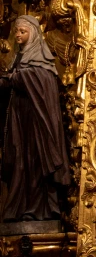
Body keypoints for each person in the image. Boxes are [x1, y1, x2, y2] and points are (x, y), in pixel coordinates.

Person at [0, 16, 70, 221]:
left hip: (38, 123)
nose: (18, 35)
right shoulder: (17, 58)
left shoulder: (41, 59)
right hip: (18, 120)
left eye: (22, 31)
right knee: (18, 162)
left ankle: (39, 209)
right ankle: (16, 209)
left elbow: (43, 80)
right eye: (16, 32)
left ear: (33, 33)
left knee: (35, 162)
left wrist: (16, 78)